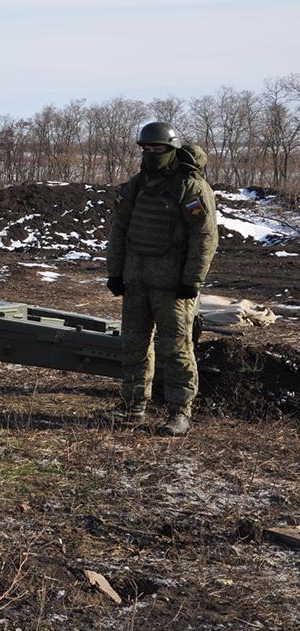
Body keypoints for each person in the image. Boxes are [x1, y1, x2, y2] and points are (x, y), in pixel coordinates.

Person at [106, 121, 217, 436]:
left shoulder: (191, 188)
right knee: (134, 345)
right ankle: (132, 406)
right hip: (136, 282)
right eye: (147, 148)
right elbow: (120, 230)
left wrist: (192, 280)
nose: (152, 153)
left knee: (176, 348)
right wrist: (115, 272)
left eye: (159, 148)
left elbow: (205, 237)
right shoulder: (137, 185)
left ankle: (180, 411)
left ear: (172, 150)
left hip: (173, 287)